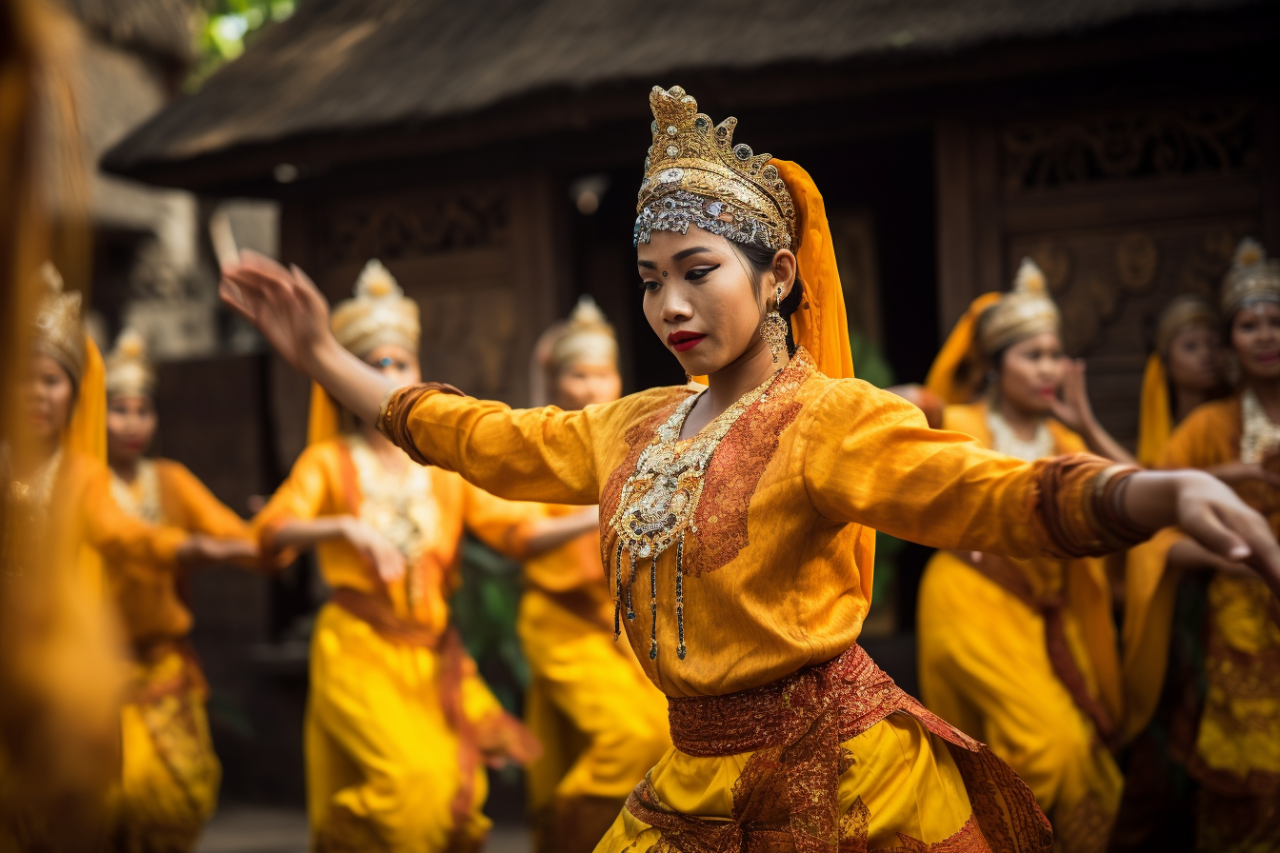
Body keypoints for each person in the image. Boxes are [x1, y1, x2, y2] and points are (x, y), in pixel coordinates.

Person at [221, 85, 1280, 853]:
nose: (670, 305)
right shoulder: (633, 424)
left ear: (775, 276)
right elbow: (479, 436)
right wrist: (320, 358)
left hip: (837, 779)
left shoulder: (825, 419)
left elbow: (982, 490)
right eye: (650, 280)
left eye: (697, 272)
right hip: (691, 775)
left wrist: (1147, 490)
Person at [250, 260, 540, 853]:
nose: (390, 376)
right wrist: (343, 527)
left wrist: (602, 510)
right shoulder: (329, 462)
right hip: (358, 648)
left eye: (400, 364)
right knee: (410, 793)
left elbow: (517, 530)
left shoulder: (442, 470)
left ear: (418, 372)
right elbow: (271, 532)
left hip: (429, 657)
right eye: (373, 366)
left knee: (450, 797)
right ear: (344, 380)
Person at [2, 265, 247, 850]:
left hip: (93, 667)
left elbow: (130, 537)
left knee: (140, 799)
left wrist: (233, 543)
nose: (37, 393)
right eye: (24, 379)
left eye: (52, 380)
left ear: (73, 394)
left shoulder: (88, 478)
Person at [914, 260, 1148, 851]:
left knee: (1075, 751)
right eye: (1033, 355)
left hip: (1046, 614)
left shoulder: (1066, 442)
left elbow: (1145, 499)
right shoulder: (956, 423)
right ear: (996, 365)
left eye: (1055, 355)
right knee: (1047, 750)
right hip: (970, 601)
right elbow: (887, 425)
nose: (1050, 369)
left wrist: (1086, 422)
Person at [1124, 238, 1280, 850]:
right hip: (1240, 621)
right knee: (1248, 775)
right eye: (1248, 325)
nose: (1265, 335)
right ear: (1232, 339)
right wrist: (1231, 560)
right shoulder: (1209, 427)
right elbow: (1149, 516)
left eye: (1274, 322)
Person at [521, 298, 671, 853]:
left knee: (665, 736)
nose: (591, 387)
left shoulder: (637, 441)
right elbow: (518, 535)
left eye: (602, 373)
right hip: (561, 621)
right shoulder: (537, 447)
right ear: (555, 381)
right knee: (626, 738)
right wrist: (599, 512)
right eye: (577, 374)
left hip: (626, 626)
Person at [102, 328, 257, 852]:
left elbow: (232, 534)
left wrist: (276, 530)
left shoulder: (170, 479)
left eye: (142, 410)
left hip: (164, 665)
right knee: (116, 798)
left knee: (181, 795)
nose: (132, 423)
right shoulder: (83, 483)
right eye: (119, 410)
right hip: (98, 671)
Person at [1137, 295, 1227, 467]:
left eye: (1215, 344)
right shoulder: (1165, 423)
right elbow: (1157, 476)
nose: (1206, 354)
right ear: (1166, 360)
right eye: (1190, 346)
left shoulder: (1232, 416)